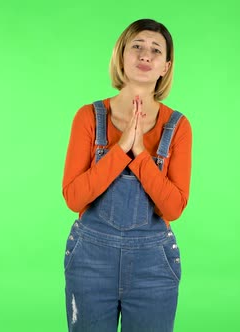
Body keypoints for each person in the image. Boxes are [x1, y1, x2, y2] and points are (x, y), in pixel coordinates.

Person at [61, 18, 192, 332]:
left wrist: (140, 156)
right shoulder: (88, 117)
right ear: (121, 56)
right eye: (137, 46)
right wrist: (120, 149)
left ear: (165, 66)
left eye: (155, 50)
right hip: (90, 262)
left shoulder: (178, 127)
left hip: (154, 267)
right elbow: (74, 197)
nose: (145, 55)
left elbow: (173, 208)